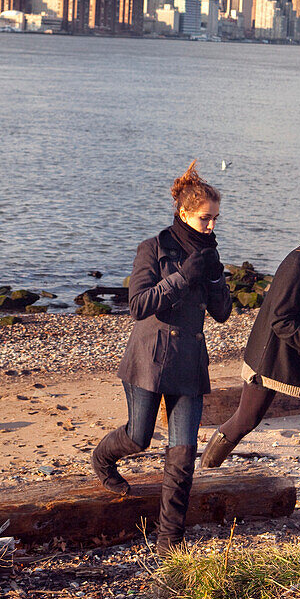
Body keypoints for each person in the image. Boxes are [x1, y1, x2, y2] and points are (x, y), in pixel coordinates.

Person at [91, 162, 233, 554]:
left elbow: (222, 313)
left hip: (189, 361)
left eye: (216, 220)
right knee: (138, 437)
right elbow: (138, 305)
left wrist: (217, 278)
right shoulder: (152, 248)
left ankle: (169, 539)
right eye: (206, 219)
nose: (211, 227)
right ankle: (102, 461)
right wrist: (184, 277)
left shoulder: (209, 253)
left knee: (183, 453)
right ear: (184, 213)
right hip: (149, 360)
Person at [199, 206, 300, 527]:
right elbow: (279, 320)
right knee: (246, 419)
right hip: (274, 357)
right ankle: (202, 476)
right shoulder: (298, 263)